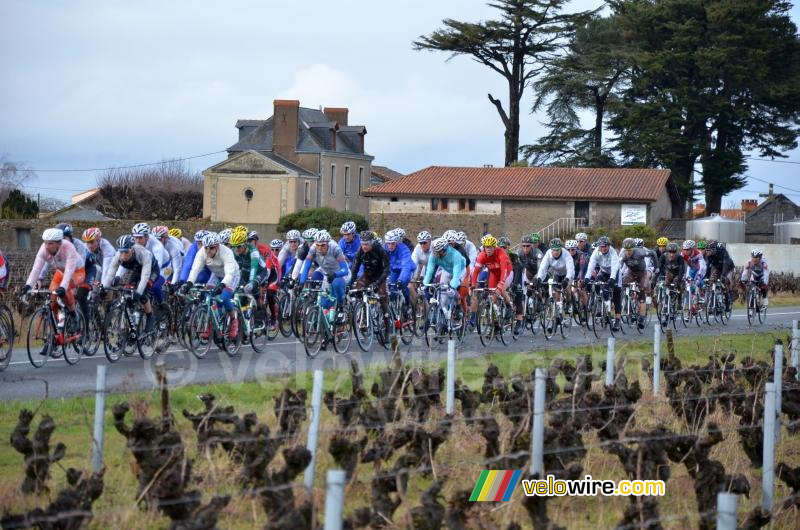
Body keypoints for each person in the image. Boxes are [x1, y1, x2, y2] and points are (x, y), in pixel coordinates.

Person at [184, 232, 240, 339]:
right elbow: (195, 269)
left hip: (232, 275)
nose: (208, 251)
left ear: (217, 246)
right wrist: (189, 283)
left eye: (211, 248)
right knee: (208, 296)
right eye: (206, 248)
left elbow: (229, 273)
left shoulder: (226, 252)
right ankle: (210, 324)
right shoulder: (202, 253)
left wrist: (223, 285)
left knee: (223, 297)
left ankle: (234, 320)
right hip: (216, 275)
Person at [101, 235, 162, 333]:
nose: (123, 255)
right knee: (127, 292)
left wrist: (139, 292)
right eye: (121, 252)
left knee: (142, 293)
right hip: (136, 270)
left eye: (126, 252)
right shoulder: (118, 255)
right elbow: (111, 272)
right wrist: (105, 287)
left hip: (151, 271)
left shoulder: (143, 253)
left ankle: (150, 316)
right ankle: (131, 319)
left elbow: (145, 277)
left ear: (132, 249)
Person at [22, 228, 86, 319]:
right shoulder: (44, 249)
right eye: (45, 243)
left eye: (50, 243)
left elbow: (69, 271)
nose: (47, 246)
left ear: (59, 243)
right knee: (52, 297)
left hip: (77, 272)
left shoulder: (68, 247)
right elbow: (36, 268)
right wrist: (28, 285)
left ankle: (73, 314)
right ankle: (57, 322)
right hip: (60, 271)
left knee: (66, 289)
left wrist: (63, 287)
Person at [230, 230, 276, 328]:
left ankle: (260, 319)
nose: (236, 249)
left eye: (238, 246)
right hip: (245, 272)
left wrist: (251, 282)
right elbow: (233, 269)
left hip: (260, 272)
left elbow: (254, 268)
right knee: (239, 295)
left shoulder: (253, 252)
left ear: (245, 244)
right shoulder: (235, 253)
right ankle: (243, 318)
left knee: (254, 290)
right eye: (233, 247)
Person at [299, 231, 350, 318]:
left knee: (336, 284)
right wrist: (301, 283)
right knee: (325, 304)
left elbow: (345, 270)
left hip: (340, 273)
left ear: (328, 244)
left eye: (323, 245)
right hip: (327, 273)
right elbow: (306, 267)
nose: (320, 248)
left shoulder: (335, 248)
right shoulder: (313, 248)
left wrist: (335, 275)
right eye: (318, 245)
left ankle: (341, 307)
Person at [350, 230, 391, 332]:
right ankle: (364, 313)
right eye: (362, 244)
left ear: (372, 243)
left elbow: (387, 269)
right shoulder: (360, 251)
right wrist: (350, 283)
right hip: (368, 275)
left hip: (380, 276)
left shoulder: (380, 250)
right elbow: (355, 268)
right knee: (358, 290)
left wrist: (378, 283)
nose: (364, 246)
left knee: (382, 298)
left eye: (366, 244)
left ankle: (388, 327)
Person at [471, 234, 513, 324]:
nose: (488, 249)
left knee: (501, 289)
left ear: (494, 247)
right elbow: (476, 271)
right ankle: (495, 322)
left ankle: (509, 306)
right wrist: (473, 284)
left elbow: (504, 271)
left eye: (490, 247)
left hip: (507, 273)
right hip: (494, 274)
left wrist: (500, 285)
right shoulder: (482, 256)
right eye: (486, 247)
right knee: (492, 297)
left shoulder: (501, 254)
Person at [423, 237, 467, 319]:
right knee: (443, 295)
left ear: (445, 249)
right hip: (447, 270)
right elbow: (430, 270)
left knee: (452, 290)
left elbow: (456, 274)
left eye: (439, 251)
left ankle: (458, 302)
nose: (437, 254)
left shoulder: (455, 255)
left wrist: (452, 286)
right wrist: (425, 284)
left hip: (460, 270)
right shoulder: (434, 255)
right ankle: (444, 317)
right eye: (435, 252)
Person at [586, 236, 622, 330]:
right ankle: (601, 308)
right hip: (603, 272)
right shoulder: (596, 252)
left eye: (605, 246)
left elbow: (615, 266)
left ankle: (617, 320)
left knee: (616, 294)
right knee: (597, 285)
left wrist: (612, 278)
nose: (603, 248)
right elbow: (591, 265)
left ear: (609, 246)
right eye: (601, 246)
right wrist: (587, 278)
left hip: (615, 273)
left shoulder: (613, 252)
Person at [619, 238, 651, 329]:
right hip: (631, 271)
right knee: (623, 283)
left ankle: (641, 318)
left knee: (641, 292)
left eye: (630, 250)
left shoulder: (641, 252)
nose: (628, 252)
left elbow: (649, 261)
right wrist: (619, 275)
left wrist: (656, 268)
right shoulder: (623, 253)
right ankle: (629, 301)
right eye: (626, 250)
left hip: (642, 272)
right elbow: (620, 266)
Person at [384, 230, 416, 318]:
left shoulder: (403, 249)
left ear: (397, 242)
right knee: (391, 289)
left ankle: (407, 305)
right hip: (394, 270)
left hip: (407, 269)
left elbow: (406, 266)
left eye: (393, 243)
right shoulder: (384, 248)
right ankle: (394, 309)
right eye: (388, 243)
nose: (390, 246)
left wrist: (401, 280)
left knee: (402, 285)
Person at [705, 240, 735, 310]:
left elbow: (726, 264)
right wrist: (707, 277)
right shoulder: (709, 255)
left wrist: (723, 276)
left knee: (725, 281)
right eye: (706, 251)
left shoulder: (723, 253)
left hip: (728, 267)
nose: (707, 253)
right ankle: (712, 301)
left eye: (709, 251)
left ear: (714, 250)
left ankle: (727, 299)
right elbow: (708, 266)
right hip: (717, 267)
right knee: (711, 280)